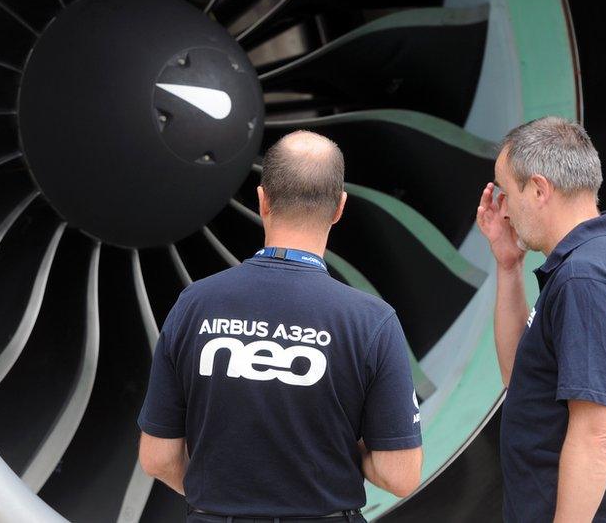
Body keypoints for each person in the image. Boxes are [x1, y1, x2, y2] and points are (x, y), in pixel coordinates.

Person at [137, 130, 423, 522]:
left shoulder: (194, 304)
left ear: (262, 200)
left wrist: (223, 499)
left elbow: (157, 457)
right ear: (339, 208)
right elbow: (400, 474)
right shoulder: (371, 321)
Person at [476, 117, 606, 522]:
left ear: (539, 189)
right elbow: (520, 376)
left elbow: (597, 434)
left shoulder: (585, 280)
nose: (503, 210)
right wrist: (509, 267)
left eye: (506, 194)